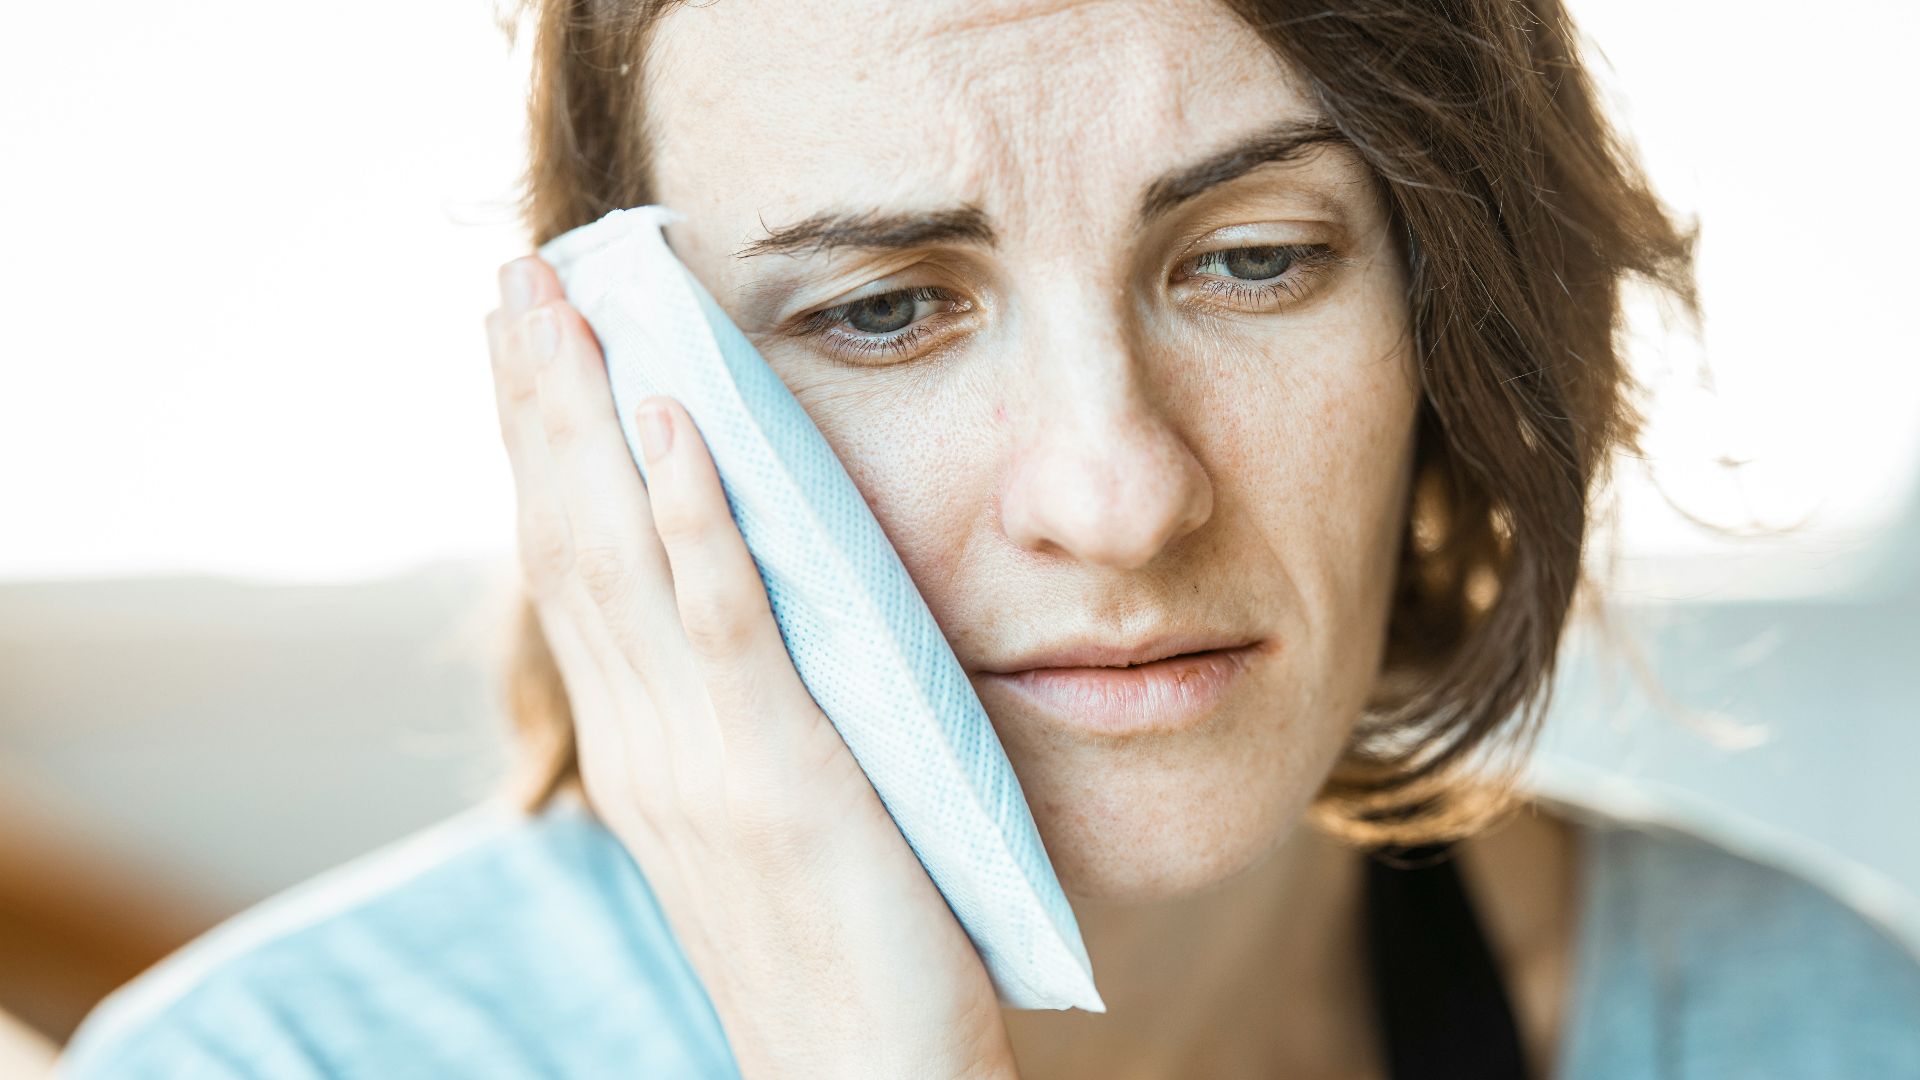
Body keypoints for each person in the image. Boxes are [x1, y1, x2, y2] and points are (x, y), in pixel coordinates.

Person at [57, 0, 1920, 1077]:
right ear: (627, 394)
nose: (1118, 495)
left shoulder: (1798, 1026)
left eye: (1255, 262)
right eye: (884, 311)